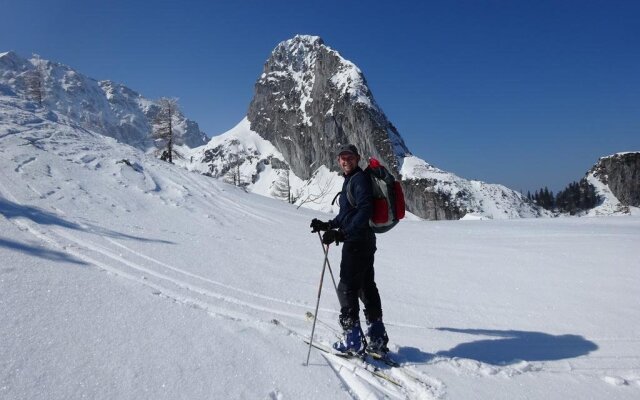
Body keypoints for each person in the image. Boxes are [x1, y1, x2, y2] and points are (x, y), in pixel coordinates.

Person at [310, 144, 389, 355]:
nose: (346, 160)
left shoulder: (359, 180)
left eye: (350, 157)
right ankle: (377, 336)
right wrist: (329, 225)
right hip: (364, 241)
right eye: (343, 157)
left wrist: (342, 235)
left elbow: (365, 211)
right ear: (338, 160)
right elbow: (347, 214)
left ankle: (353, 339)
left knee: (346, 288)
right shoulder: (351, 180)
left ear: (358, 158)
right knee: (366, 287)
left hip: (356, 243)